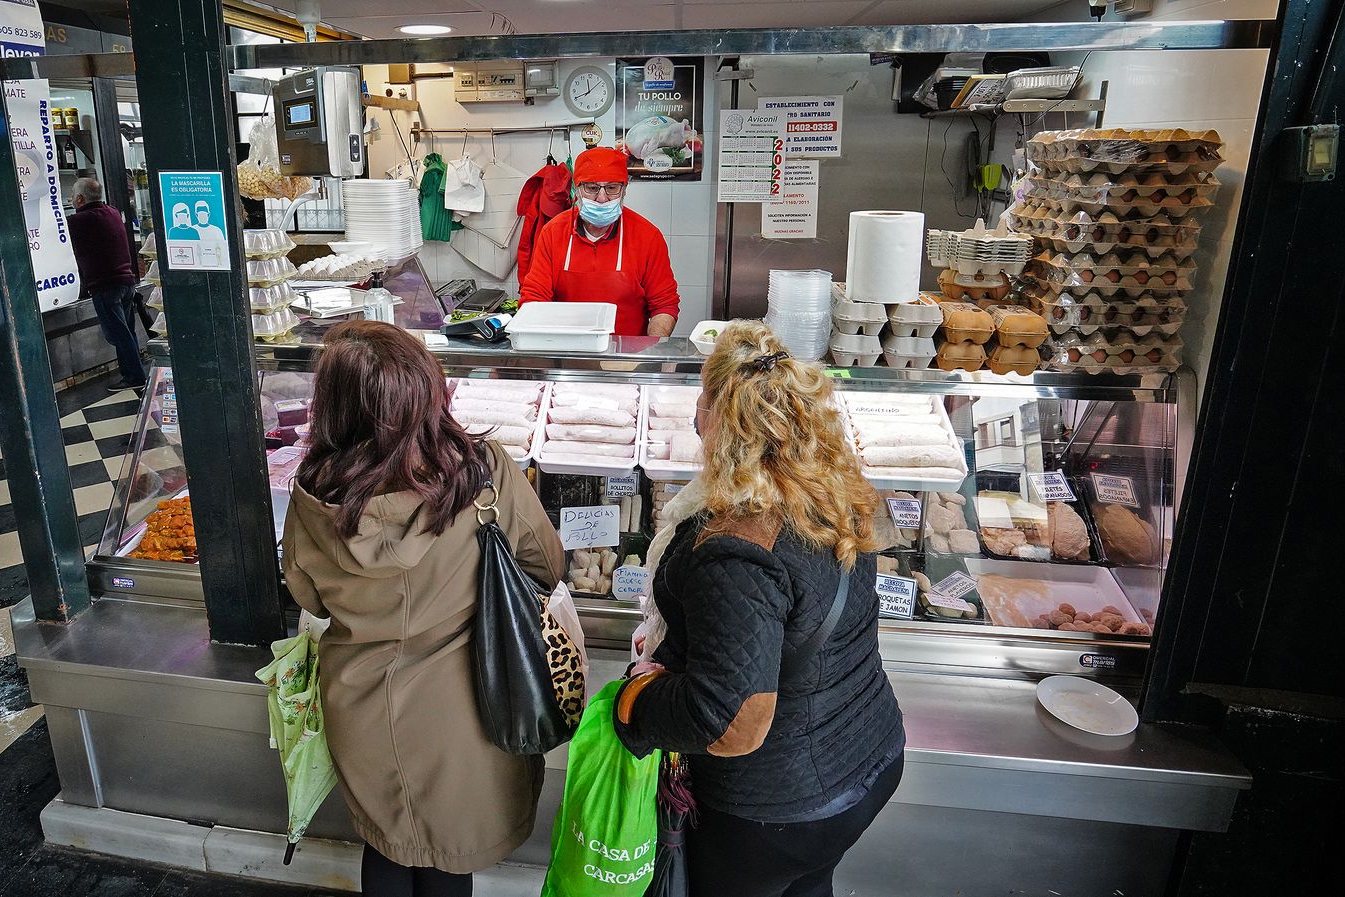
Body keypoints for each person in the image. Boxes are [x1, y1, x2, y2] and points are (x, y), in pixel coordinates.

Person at [613, 320, 907, 897]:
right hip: (868, 760)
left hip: (774, 806)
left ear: (717, 421)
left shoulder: (734, 551)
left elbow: (729, 719)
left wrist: (636, 702)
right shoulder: (831, 490)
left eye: (701, 398)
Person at [281, 320, 565, 897]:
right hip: (466, 707)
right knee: (446, 859)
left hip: (360, 705)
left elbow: (306, 595)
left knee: (387, 843)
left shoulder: (311, 491)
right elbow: (545, 565)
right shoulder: (480, 472)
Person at [517, 147, 680, 338]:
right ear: (577, 190)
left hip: (626, 358)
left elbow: (664, 306)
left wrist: (651, 354)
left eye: (612, 188)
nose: (602, 198)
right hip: (566, 353)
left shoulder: (648, 236)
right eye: (592, 188)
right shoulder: (553, 233)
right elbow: (534, 298)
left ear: (624, 190)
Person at [68, 177, 146, 391]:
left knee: (117, 335)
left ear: (81, 199)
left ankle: (135, 377)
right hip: (127, 281)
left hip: (106, 286)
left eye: (73, 195)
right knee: (126, 332)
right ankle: (131, 373)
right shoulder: (112, 212)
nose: (71, 199)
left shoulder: (79, 221)